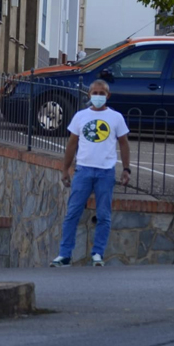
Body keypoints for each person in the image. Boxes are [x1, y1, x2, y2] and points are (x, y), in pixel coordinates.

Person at [52, 80, 130, 268]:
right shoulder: (80, 116)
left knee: (104, 215)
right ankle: (64, 254)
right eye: (95, 92)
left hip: (105, 172)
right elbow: (72, 143)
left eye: (102, 93)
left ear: (108, 96)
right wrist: (65, 168)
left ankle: (98, 253)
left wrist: (126, 169)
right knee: (72, 213)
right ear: (89, 95)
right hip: (83, 171)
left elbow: (124, 143)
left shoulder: (116, 117)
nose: (98, 96)